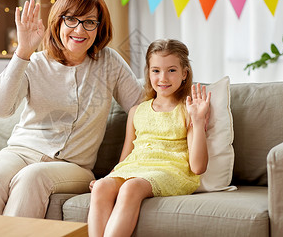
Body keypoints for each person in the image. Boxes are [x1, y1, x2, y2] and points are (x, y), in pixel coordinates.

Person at [0, 0, 143, 218]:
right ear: (58, 22)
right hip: (20, 151)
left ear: (99, 28)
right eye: (71, 19)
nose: (79, 29)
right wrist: (22, 52)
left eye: (90, 22)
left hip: (74, 166)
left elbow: (142, 109)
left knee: (32, 178)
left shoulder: (109, 62)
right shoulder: (35, 62)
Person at [88, 39, 210, 237]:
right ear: (148, 72)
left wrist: (198, 121)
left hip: (170, 170)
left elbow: (198, 167)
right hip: (136, 169)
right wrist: (110, 177)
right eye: (156, 71)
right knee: (101, 186)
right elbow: (126, 158)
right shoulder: (136, 111)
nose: (163, 78)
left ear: (184, 73)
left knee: (131, 187)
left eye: (171, 70)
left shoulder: (187, 110)